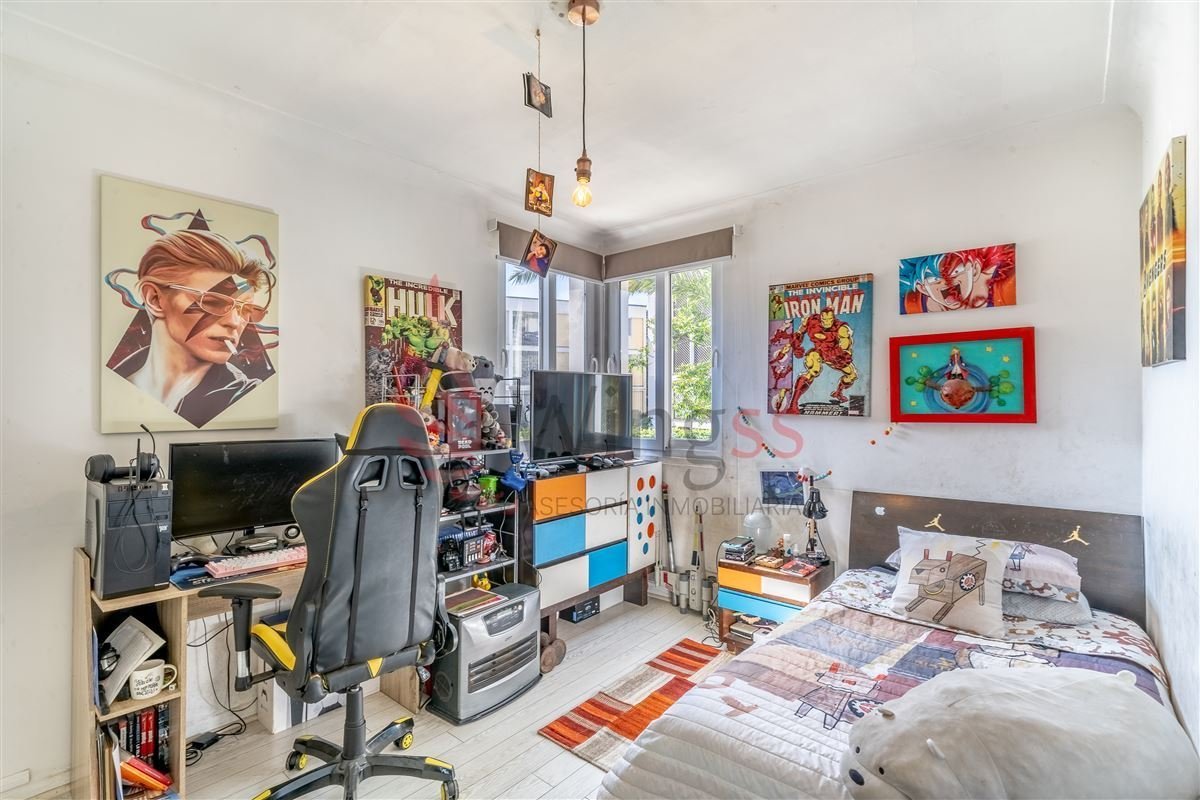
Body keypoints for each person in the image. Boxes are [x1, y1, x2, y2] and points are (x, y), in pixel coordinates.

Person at [106, 213, 276, 427]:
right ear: (155, 299)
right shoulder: (113, 387)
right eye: (213, 302)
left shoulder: (245, 397)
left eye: (246, 310)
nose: (234, 322)